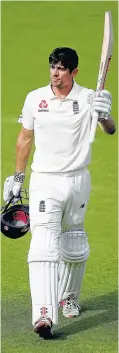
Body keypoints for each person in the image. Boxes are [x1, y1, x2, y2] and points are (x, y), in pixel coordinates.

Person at [3, 47, 116, 339]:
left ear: (74, 72)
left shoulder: (89, 97)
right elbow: (25, 138)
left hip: (78, 180)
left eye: (62, 68)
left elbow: (111, 129)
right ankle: (43, 315)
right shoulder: (35, 98)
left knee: (75, 244)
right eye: (53, 67)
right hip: (45, 181)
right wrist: (18, 176)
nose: (55, 73)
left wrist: (104, 115)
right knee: (43, 245)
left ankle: (69, 298)